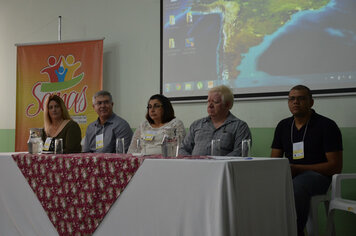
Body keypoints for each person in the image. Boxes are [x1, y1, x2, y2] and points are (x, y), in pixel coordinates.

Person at [271, 85, 343, 236]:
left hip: (319, 177)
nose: (295, 102)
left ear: (311, 102)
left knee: (295, 186)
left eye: (301, 98)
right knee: (264, 184)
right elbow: (274, 160)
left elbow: (335, 167)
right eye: (292, 99)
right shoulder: (283, 126)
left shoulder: (326, 125)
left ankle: (294, 231)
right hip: (291, 174)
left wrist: (298, 169)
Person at [179, 85, 251, 156]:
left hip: (222, 167)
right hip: (195, 166)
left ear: (227, 105)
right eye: (208, 101)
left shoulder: (240, 126)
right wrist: (191, 161)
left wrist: (216, 163)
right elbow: (183, 149)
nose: (210, 105)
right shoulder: (197, 124)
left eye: (215, 102)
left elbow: (241, 152)